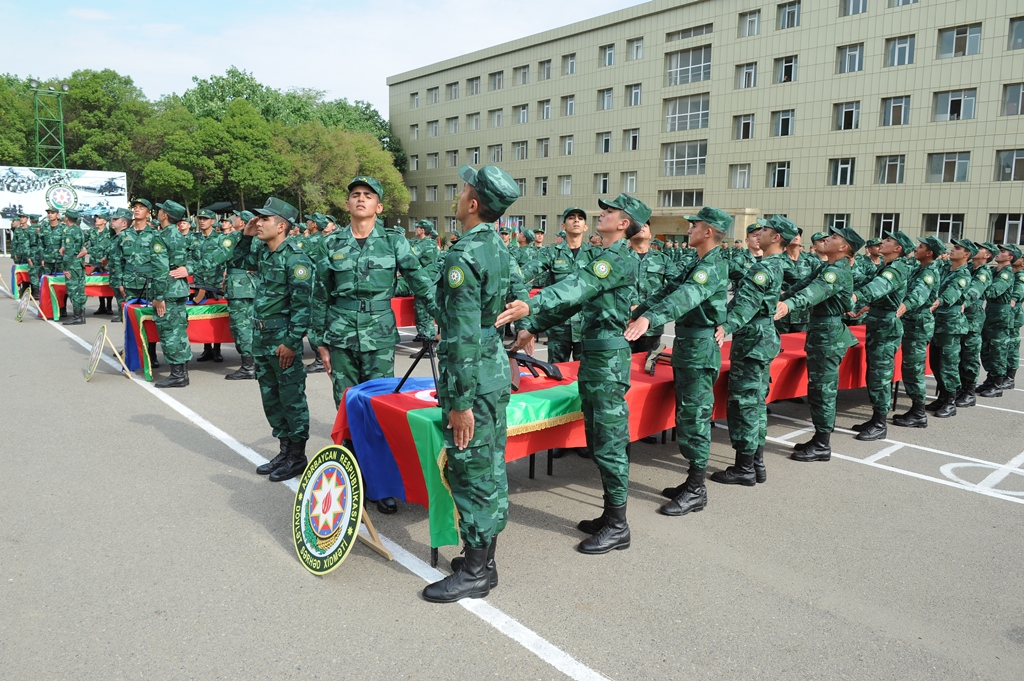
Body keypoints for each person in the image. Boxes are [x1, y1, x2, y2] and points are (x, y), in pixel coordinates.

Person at [501, 193, 648, 554]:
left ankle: (618, 525)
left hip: (608, 362)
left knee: (611, 443)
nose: (603, 213)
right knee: (598, 439)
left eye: (610, 211)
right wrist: (532, 326)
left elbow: (574, 288)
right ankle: (609, 515)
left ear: (624, 223)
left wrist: (531, 304)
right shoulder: (604, 256)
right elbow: (575, 304)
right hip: (597, 361)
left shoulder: (617, 258)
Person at [422, 164, 523, 603]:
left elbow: (461, 334)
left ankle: (476, 574)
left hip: (473, 376)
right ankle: (486, 563)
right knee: (490, 465)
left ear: (474, 203)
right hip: (493, 368)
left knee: (471, 470)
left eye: (463, 189)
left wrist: (460, 401)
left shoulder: (464, 255)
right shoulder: (497, 247)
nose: (459, 195)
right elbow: (519, 297)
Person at [313, 177, 433, 515]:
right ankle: (351, 481)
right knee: (347, 407)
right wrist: (319, 341)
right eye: (355, 195)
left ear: (379, 207)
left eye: (368, 196)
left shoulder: (395, 243)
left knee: (379, 410)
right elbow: (319, 295)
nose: (361, 199)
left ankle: (380, 484)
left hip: (379, 335)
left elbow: (422, 285)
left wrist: (436, 322)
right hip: (340, 336)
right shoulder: (330, 243)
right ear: (347, 205)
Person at [626, 206, 730, 516]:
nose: (689, 230)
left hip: (699, 347)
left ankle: (697, 488)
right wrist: (638, 313)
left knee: (695, 419)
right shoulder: (698, 261)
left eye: (693, 226)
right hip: (689, 346)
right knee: (687, 415)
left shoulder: (710, 267)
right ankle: (691, 481)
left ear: (708, 231)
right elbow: (668, 290)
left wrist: (650, 319)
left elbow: (685, 297)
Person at [711, 216, 795, 486]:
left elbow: (746, 304)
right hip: (762, 337)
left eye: (767, 231)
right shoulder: (774, 264)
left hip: (753, 338)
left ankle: (744, 467)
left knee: (744, 403)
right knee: (756, 402)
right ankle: (756, 463)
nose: (761, 234)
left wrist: (726, 326)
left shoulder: (764, 269)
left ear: (777, 238)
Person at [236, 198, 314, 482]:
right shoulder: (265, 253)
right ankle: (284, 450)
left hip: (282, 339)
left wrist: (293, 342)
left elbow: (304, 305)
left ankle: (297, 455)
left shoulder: (296, 259)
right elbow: (237, 262)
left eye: (264, 219)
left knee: (291, 397)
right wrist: (244, 237)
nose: (258, 223)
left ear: (281, 226)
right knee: (271, 397)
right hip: (262, 338)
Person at [774, 226, 864, 461]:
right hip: (821, 333)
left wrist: (789, 306)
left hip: (829, 336)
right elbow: (799, 287)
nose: (826, 239)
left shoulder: (836, 272)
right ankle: (818, 437)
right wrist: (778, 299)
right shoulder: (827, 266)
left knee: (823, 391)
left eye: (834, 237)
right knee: (817, 389)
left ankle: (823, 444)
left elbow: (813, 292)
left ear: (844, 247)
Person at [846, 231, 917, 440]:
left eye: (887, 241)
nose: (882, 242)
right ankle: (875, 417)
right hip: (878, 323)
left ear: (898, 249)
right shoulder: (885, 266)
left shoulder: (896, 268)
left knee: (881, 375)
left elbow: (878, 287)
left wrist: (856, 296)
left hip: (886, 326)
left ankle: (880, 423)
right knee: (874, 373)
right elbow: (865, 280)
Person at [520, 207, 596, 362]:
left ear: (586, 226)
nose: (576, 220)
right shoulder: (552, 252)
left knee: (584, 375)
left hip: (586, 325)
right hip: (558, 325)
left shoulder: (595, 254)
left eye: (580, 218)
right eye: (571, 218)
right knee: (556, 373)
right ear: (563, 226)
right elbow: (525, 273)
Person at [892, 237, 944, 428]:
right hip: (912, 324)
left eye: (921, 247)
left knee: (914, 369)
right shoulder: (920, 269)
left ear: (929, 252)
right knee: (909, 368)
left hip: (918, 325)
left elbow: (918, 295)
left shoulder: (928, 273)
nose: (917, 248)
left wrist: (902, 308)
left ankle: (919, 413)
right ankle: (916, 409)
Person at [927, 240, 975, 417]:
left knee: (949, 364)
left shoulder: (963, 274)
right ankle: (942, 397)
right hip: (937, 323)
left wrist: (937, 302)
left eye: (957, 248)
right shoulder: (945, 269)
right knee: (935, 363)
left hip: (951, 325)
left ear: (966, 255)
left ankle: (950, 401)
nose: (952, 250)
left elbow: (952, 292)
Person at [150, 200, 194, 388]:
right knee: (179, 331)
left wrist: (158, 297)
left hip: (167, 290)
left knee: (169, 333)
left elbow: (160, 270)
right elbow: (193, 259)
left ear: (165, 215)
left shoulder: (161, 237)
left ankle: (177, 375)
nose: (158, 212)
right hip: (180, 288)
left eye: (160, 210)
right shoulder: (180, 235)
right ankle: (181, 373)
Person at [216, 209, 258, 380]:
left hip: (240, 286)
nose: (235, 218)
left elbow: (222, 257)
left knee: (241, 326)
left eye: (238, 217)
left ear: (244, 223)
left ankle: (249, 366)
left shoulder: (238, 238)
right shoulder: (257, 239)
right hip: (251, 284)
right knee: (250, 324)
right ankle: (254, 363)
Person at [976, 244, 1019, 397]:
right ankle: (990, 378)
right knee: (987, 348)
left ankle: (997, 384)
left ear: (1010, 258)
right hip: (990, 312)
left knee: (998, 349)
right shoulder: (994, 271)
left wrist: (977, 288)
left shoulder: (1007, 273)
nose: (999, 254)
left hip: (1001, 314)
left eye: (1003, 252)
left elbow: (994, 290)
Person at [628, 220, 676, 355]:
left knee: (646, 369)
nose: (642, 227)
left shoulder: (663, 259)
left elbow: (676, 288)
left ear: (650, 235)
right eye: (637, 225)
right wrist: (630, 305)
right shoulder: (619, 258)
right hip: (623, 324)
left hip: (652, 327)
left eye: (645, 225)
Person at [957, 242, 995, 405]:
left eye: (979, 249)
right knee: (959, 354)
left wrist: (960, 302)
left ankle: (969, 392)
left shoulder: (983, 272)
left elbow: (974, 292)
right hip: (961, 315)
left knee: (970, 355)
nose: (975, 251)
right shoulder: (969, 267)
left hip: (972, 316)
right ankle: (960, 388)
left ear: (987, 255)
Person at [191, 208, 226, 363]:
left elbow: (225, 257)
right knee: (202, 315)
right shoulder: (194, 238)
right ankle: (207, 348)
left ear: (213, 221)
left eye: (206, 218)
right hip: (199, 283)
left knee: (215, 317)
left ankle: (217, 349)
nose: (202, 221)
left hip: (215, 282)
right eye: (200, 218)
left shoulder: (220, 238)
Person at [300, 213, 329, 373]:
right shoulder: (326, 240)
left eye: (309, 221)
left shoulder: (309, 241)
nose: (307, 222)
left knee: (312, 323)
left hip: (309, 285)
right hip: (319, 284)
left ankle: (319, 359)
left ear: (315, 225)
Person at [409, 219, 440, 342]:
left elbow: (410, 256)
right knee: (422, 310)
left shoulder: (424, 244)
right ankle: (424, 337)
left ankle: (428, 344)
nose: (415, 229)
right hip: (428, 280)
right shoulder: (432, 243)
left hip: (425, 280)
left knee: (425, 313)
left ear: (422, 230)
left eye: (417, 227)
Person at [59, 209, 88, 326]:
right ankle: (81, 315)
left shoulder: (70, 231)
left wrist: (65, 268)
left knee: (73, 291)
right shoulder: (79, 230)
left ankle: (77, 316)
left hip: (72, 265)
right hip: (79, 264)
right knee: (80, 291)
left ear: (67, 218)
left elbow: (70, 252)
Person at [88, 212, 115, 316]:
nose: (96, 220)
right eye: (96, 218)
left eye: (99, 218)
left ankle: (109, 306)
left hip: (105, 263)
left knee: (107, 285)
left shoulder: (109, 233)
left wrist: (88, 250)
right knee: (98, 285)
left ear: (105, 221)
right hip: (94, 263)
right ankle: (101, 306)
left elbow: (106, 246)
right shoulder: (91, 232)